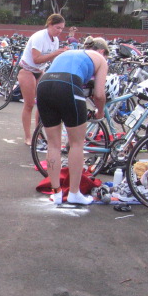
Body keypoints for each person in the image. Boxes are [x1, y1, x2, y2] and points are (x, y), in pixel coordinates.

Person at [36, 37, 109, 205]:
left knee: (53, 145)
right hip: (68, 85)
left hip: (44, 85)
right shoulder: (100, 59)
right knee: (76, 144)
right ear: (102, 51)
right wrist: (100, 112)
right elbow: (99, 94)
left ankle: (56, 193)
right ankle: (74, 193)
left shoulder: (69, 53)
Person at [18, 13, 68, 145]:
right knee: (29, 104)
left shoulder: (55, 40)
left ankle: (38, 133)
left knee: (43, 103)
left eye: (62, 29)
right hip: (27, 69)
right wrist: (54, 54)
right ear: (50, 25)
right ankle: (28, 137)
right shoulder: (39, 36)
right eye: (57, 28)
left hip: (39, 71)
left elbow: (51, 60)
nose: (60, 31)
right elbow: (36, 59)